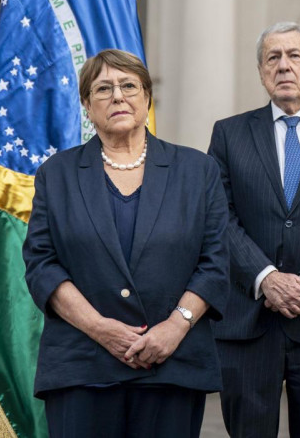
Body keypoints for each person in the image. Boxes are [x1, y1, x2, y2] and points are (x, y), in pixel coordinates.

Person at [22, 49, 229, 437]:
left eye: (129, 85)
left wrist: (175, 327)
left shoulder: (197, 171)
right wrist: (100, 328)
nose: (118, 96)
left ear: (147, 96)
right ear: (86, 105)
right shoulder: (57, 174)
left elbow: (215, 261)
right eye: (103, 89)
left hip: (173, 365)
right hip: (82, 366)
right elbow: (41, 264)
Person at [208, 22, 300, 437]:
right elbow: (218, 216)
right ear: (261, 70)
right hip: (249, 324)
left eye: (294, 56)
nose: (284, 66)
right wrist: (267, 278)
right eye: (273, 57)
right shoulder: (229, 134)